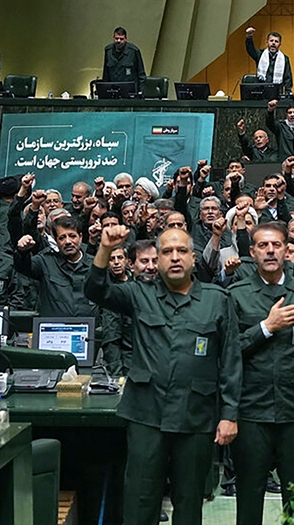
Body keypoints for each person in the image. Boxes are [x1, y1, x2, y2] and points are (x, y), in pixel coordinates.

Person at [86, 224, 241, 525]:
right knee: (140, 499)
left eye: (181, 251)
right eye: (167, 251)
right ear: (156, 259)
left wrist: (230, 414)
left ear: (194, 259)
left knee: (189, 499)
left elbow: (231, 360)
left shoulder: (217, 299)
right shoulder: (138, 293)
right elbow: (96, 290)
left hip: (196, 415)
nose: (174, 257)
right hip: (147, 414)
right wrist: (104, 249)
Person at [227, 222, 294, 524]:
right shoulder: (236, 295)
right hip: (251, 410)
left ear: (287, 251)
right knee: (249, 492)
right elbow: (228, 354)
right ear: (252, 252)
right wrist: (267, 328)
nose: (270, 250)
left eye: (277, 245)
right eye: (263, 246)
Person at [243, 26, 293, 93]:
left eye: (276, 41)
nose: (273, 43)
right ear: (267, 42)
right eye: (271, 41)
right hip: (261, 90)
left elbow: (288, 78)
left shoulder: (284, 59)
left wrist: (287, 93)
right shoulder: (260, 55)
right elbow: (250, 50)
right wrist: (249, 36)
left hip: (277, 92)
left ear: (280, 44)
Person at [102, 27, 146, 93]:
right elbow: (106, 74)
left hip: (130, 92)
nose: (119, 41)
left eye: (121, 39)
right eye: (116, 38)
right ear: (113, 38)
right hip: (113, 91)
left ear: (126, 39)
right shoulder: (108, 51)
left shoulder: (133, 51)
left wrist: (141, 92)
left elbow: (141, 74)